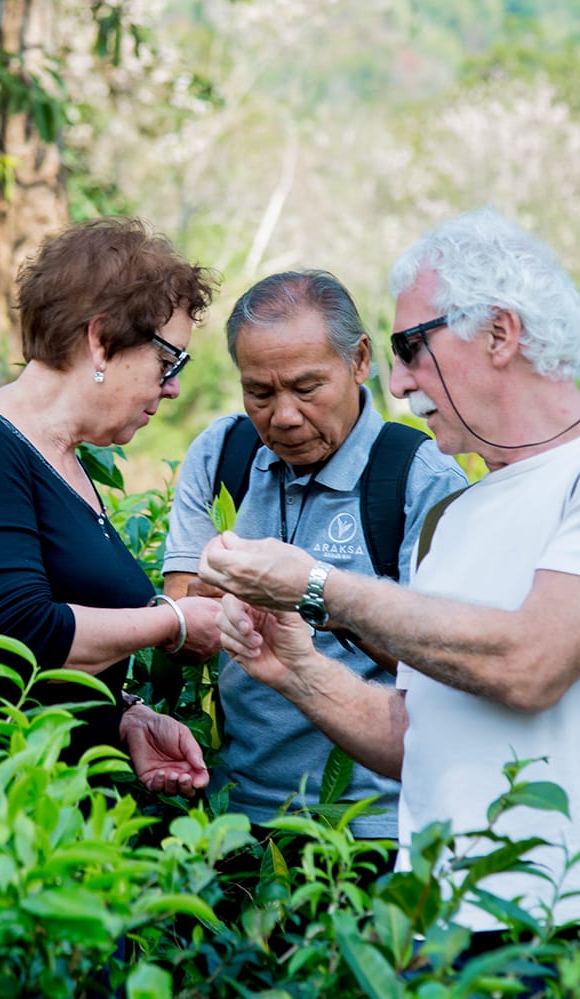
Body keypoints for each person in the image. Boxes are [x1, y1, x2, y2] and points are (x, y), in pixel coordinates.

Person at [199, 209, 580, 990]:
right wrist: (294, 669)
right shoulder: (454, 518)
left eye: (413, 347)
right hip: (445, 934)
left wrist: (317, 587)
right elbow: (417, 736)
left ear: (500, 333)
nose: (399, 380)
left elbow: (530, 661)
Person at [0, 217, 223, 796]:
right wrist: (175, 621)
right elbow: (14, 633)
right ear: (101, 338)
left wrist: (123, 715)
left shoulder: (62, 460)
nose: (173, 387)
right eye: (169, 361)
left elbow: (51, 662)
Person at [160, 270, 466, 842]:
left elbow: (448, 669)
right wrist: (207, 603)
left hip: (369, 826)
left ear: (359, 361)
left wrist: (314, 595)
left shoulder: (417, 478)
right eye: (259, 392)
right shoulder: (222, 455)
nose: (284, 416)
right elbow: (180, 618)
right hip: (233, 813)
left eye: (306, 388)